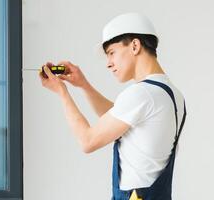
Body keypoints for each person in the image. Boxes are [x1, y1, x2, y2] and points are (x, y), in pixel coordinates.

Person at [39, 12, 187, 200]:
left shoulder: (141, 94)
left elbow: (87, 141)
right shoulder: (173, 95)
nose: (109, 64)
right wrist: (84, 85)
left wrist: (62, 92)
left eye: (111, 53)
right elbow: (118, 118)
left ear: (135, 45)